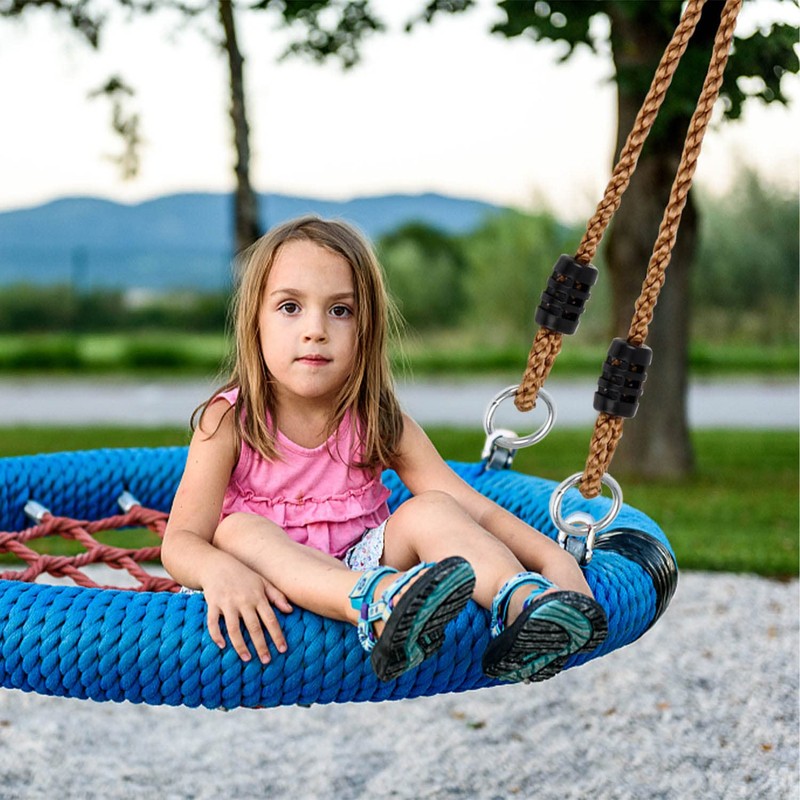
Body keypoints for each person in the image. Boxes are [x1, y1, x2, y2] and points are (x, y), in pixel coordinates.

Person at [161, 216, 607, 684]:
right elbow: (180, 541)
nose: (315, 329)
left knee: (434, 508)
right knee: (237, 530)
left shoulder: (376, 420)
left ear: (367, 328)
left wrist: (552, 558)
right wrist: (217, 570)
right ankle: (378, 602)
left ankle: (525, 604)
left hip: (369, 567)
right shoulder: (229, 421)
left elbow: (469, 505)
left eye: (340, 311)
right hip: (266, 580)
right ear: (255, 320)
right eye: (290, 306)